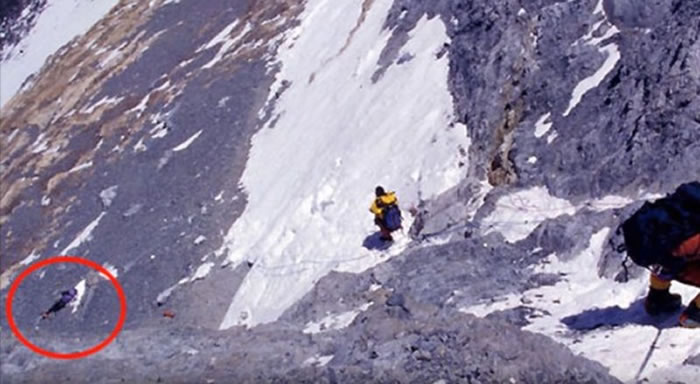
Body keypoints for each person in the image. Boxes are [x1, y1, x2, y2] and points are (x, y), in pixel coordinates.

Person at [644, 233, 700, 328]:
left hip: (664, 264)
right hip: (684, 264)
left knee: (665, 259)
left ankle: (658, 296)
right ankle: (695, 314)